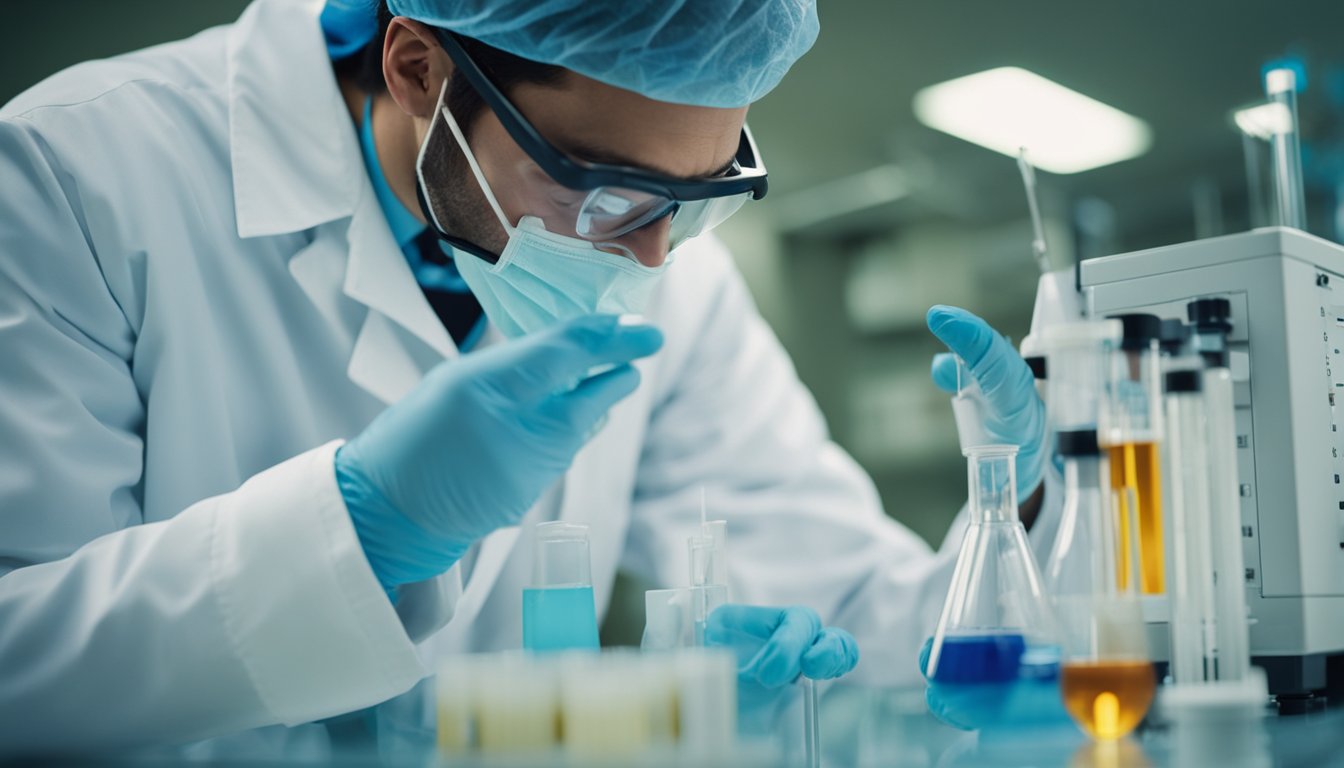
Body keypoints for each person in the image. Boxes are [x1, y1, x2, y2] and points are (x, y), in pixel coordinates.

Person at [0, 0, 1056, 756]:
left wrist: (1035, 497)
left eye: (699, 198)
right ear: (418, 68)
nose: (651, 261)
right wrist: (361, 532)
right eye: (602, 192)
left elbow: (866, 609)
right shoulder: (76, 178)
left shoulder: (676, 279)